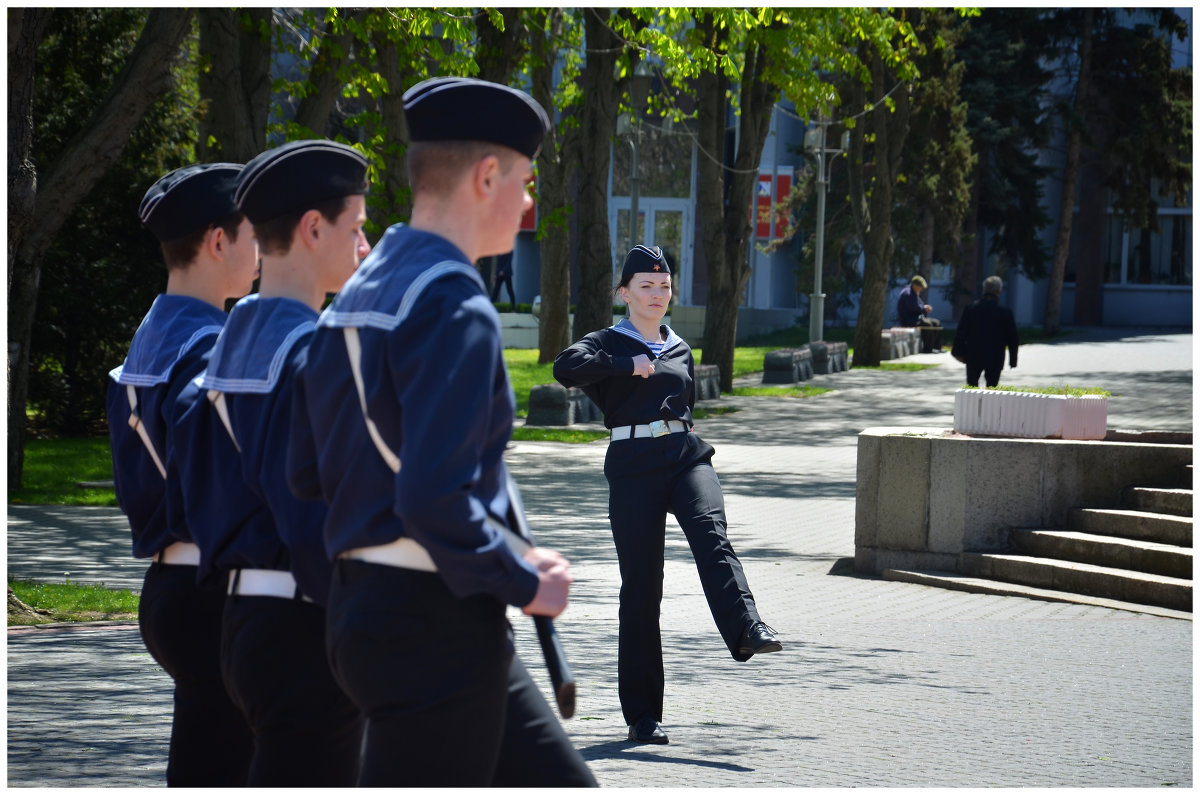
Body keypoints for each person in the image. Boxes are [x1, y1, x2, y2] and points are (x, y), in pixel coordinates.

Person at [286, 77, 596, 787]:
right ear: (486, 177)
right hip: (433, 624)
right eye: (523, 182)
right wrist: (523, 578)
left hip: (371, 610)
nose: (528, 203)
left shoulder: (355, 295)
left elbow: (306, 471)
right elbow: (432, 498)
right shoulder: (455, 303)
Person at [172, 140, 369, 785]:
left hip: (241, 617)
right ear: (313, 228)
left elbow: (191, 494)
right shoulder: (313, 353)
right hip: (305, 624)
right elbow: (313, 517)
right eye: (355, 227)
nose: (364, 245)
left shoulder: (224, 346)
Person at [553, 244, 783, 746]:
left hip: (685, 457)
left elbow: (686, 403)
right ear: (625, 293)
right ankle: (643, 715)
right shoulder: (608, 340)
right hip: (633, 466)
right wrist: (626, 364)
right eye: (646, 286)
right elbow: (565, 367)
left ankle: (747, 627)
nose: (657, 294)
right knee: (642, 587)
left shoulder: (680, 348)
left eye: (664, 285)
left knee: (711, 534)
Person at [106, 163, 258, 786]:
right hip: (213, 591)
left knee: (203, 765)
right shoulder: (211, 346)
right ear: (218, 241)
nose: (261, 251)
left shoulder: (154, 334)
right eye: (253, 234)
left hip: (170, 585)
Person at [952, 274, 1019, 387]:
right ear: (999, 291)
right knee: (992, 390)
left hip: (973, 355)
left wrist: (958, 352)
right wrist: (1013, 360)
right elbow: (1013, 338)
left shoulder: (971, 308)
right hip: (995, 356)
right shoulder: (1005, 312)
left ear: (984, 290)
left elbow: (961, 332)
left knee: (971, 388)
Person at [897, 274, 943, 352]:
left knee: (936, 323)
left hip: (916, 318)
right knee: (928, 324)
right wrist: (924, 309)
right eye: (920, 287)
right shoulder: (908, 293)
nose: (921, 289)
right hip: (909, 320)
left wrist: (924, 307)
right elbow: (913, 308)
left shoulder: (914, 293)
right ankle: (928, 349)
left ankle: (937, 347)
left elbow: (919, 305)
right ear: (915, 285)